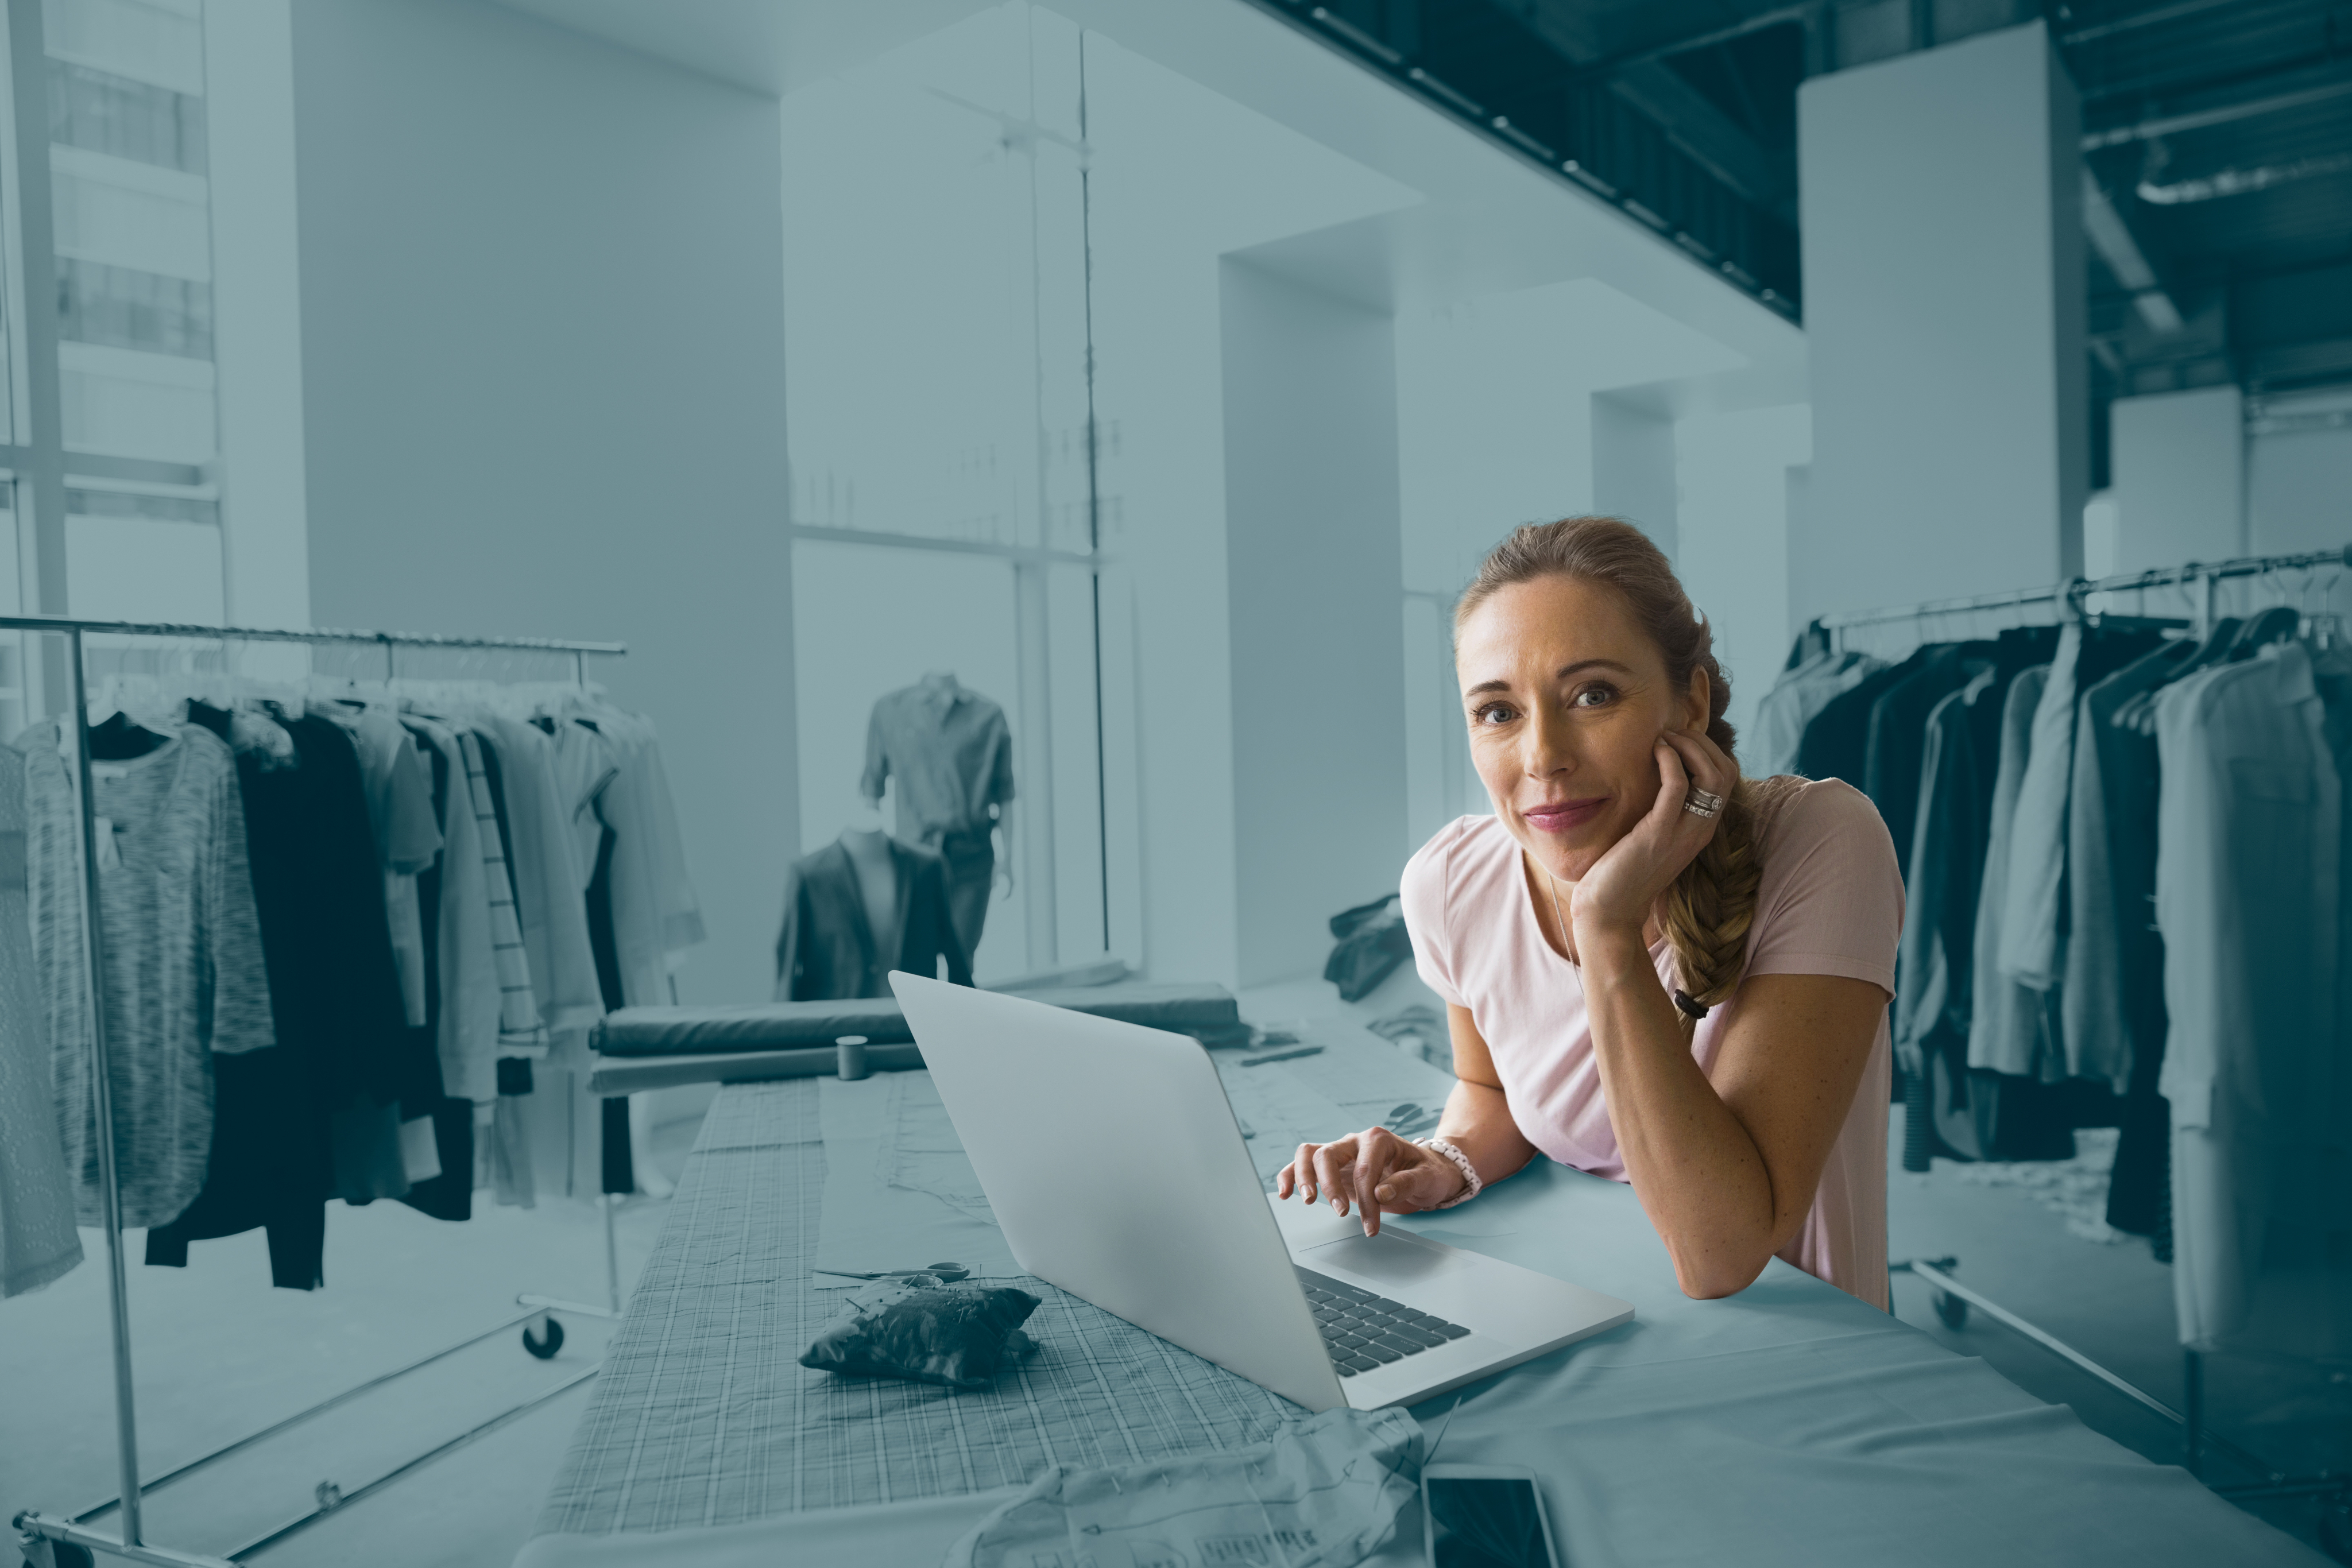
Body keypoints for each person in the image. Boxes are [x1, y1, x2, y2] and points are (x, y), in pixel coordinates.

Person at [1277, 518, 1903, 1307]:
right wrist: (1449, 1159)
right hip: (1578, 1309)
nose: (1543, 756)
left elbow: (1722, 1254)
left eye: (1593, 695)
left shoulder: (1819, 839)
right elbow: (1493, 1089)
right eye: (1498, 711)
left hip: (1795, 1344)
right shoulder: (1451, 880)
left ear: (1691, 704)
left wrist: (1607, 928)